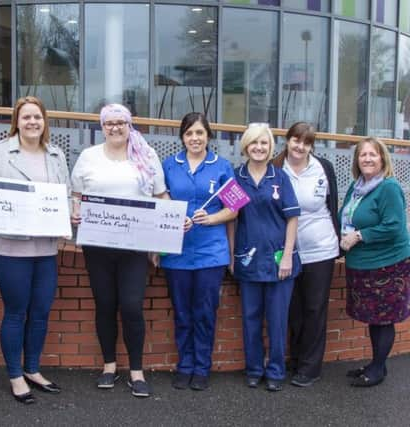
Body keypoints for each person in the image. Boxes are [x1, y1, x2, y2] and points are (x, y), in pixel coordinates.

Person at [0, 96, 70, 404]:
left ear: (45, 122)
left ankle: (33, 369)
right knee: (17, 312)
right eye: (26, 117)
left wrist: (71, 213)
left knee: (41, 312)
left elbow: (66, 195)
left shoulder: (56, 155)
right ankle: (16, 375)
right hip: (11, 249)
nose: (32, 122)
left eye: (38, 117)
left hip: (46, 248)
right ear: (16, 121)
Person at [70, 103, 167, 398]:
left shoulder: (146, 156)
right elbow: (76, 195)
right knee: (105, 304)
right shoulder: (88, 157)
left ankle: (136, 371)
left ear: (129, 125)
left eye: (121, 122)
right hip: (97, 246)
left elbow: (161, 195)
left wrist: (172, 224)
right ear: (102, 127)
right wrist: (75, 212)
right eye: (109, 123)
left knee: (131, 305)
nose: (115, 127)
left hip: (134, 248)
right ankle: (109, 366)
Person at [159, 112, 236, 391]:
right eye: (189, 133)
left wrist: (213, 218)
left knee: (204, 312)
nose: (195, 138)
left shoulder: (222, 167)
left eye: (200, 133)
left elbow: (234, 207)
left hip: (210, 253)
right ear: (182, 137)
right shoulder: (169, 165)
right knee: (182, 313)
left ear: (208, 136)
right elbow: (159, 200)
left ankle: (202, 367)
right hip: (176, 253)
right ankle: (185, 365)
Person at [229, 123, 300, 392]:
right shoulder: (236, 178)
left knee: (278, 319)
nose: (259, 148)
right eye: (254, 143)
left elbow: (292, 218)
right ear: (246, 146)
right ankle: (254, 368)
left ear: (271, 147)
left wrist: (288, 257)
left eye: (264, 143)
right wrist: (232, 256)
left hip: (279, 261)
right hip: (247, 260)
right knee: (250, 318)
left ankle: (276, 370)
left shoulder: (280, 177)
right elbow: (231, 221)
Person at [339, 137, 410, 387]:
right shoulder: (356, 186)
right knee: (373, 317)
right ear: (357, 160)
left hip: (387, 264)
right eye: (362, 155)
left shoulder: (388, 187)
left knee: (384, 318)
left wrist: (359, 235)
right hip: (361, 263)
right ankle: (375, 363)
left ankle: (378, 368)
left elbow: (394, 226)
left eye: (373, 154)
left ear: (383, 159)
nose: (367, 159)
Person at [272, 122, 340, 387]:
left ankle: (310, 368)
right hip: (288, 252)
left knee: (314, 309)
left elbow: (332, 204)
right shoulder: (276, 168)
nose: (300, 146)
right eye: (296, 140)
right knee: (294, 309)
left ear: (312, 145)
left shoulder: (324, 168)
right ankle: (297, 359)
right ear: (287, 141)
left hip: (321, 250)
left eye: (306, 142)